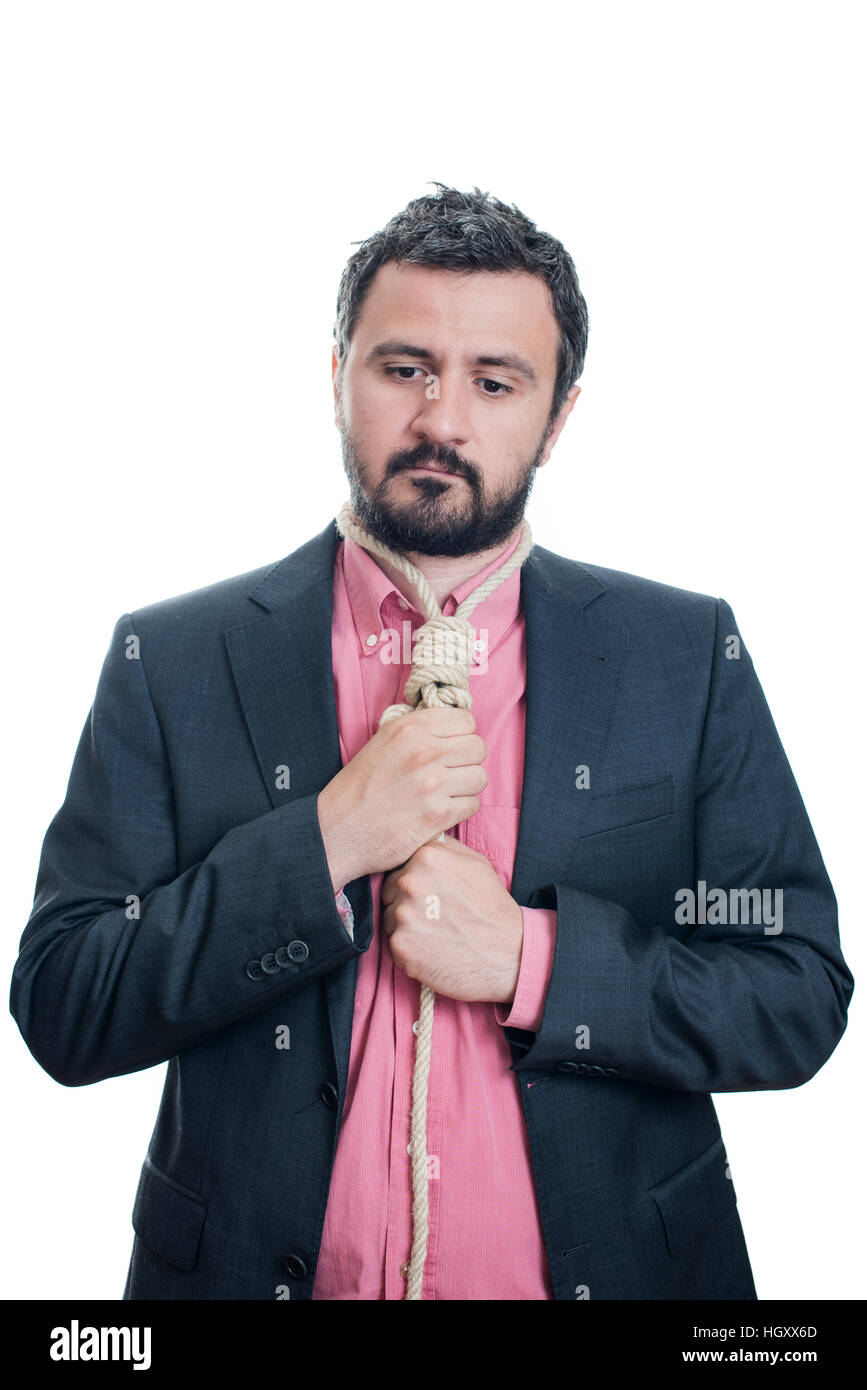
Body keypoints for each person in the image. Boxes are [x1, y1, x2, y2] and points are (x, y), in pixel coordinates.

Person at [10, 184, 853, 1301]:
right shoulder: (171, 658)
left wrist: (532, 962)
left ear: (559, 416)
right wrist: (323, 844)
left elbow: (795, 990)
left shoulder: (685, 655)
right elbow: (67, 1001)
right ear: (336, 377)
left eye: (495, 383)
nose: (442, 420)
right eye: (403, 368)